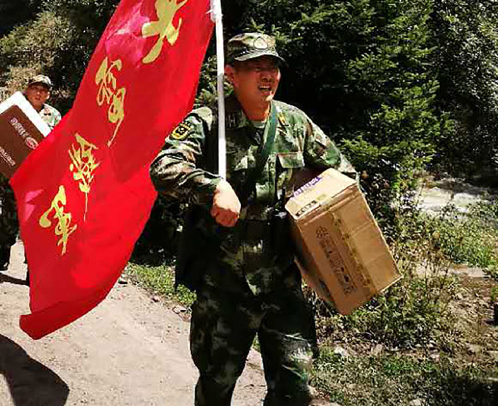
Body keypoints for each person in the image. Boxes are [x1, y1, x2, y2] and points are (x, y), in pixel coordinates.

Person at [149, 33, 357, 406]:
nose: (268, 75)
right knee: (217, 384)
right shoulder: (209, 121)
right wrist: (211, 186)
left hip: (281, 281)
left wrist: (310, 199)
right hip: (224, 283)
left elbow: (345, 175)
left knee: (296, 388)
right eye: (256, 67)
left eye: (272, 66)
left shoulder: (295, 123)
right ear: (231, 74)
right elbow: (163, 168)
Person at [0, 74, 61, 271]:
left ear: (48, 95)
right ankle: (5, 249)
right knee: (10, 216)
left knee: (35, 222)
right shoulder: (15, 111)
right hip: (14, 175)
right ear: (27, 90)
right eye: (35, 88)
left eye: (44, 90)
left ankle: (32, 265)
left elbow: (59, 144)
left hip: (40, 179)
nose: (39, 93)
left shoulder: (54, 116)